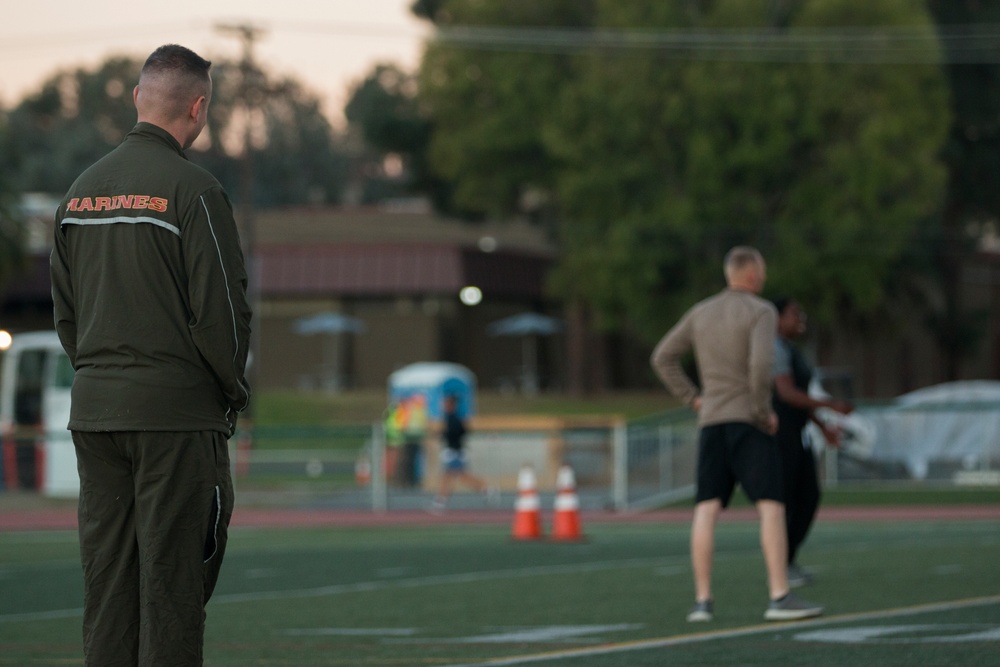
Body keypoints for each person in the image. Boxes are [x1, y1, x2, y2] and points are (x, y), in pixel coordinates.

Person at [50, 44, 252, 665]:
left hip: (96, 415)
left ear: (137, 98)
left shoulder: (77, 195)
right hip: (175, 419)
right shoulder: (196, 190)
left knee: (107, 588)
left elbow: (67, 318)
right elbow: (224, 313)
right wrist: (232, 392)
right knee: (171, 588)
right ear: (199, 109)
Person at [650, 246, 822, 623]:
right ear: (754, 275)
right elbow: (761, 365)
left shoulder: (701, 312)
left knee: (706, 508)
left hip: (712, 421)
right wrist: (763, 411)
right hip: (747, 420)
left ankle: (702, 601)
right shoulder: (761, 311)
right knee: (771, 507)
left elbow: (662, 357)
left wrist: (693, 399)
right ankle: (779, 595)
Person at [771, 297, 853, 587]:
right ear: (777, 318)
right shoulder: (774, 348)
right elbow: (786, 394)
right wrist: (830, 406)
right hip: (779, 436)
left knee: (807, 496)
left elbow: (799, 401)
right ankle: (779, 566)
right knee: (787, 501)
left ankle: (787, 559)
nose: (800, 318)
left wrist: (822, 426)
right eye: (794, 313)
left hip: (798, 432)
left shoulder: (791, 350)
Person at [430, 394, 496, 513]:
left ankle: (440, 502)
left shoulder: (453, 418)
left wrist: (443, 434)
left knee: (450, 477)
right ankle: (485, 489)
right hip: (454, 452)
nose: (443, 405)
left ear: (451, 405)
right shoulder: (452, 418)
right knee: (459, 477)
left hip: (455, 453)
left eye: (446, 403)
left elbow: (457, 433)